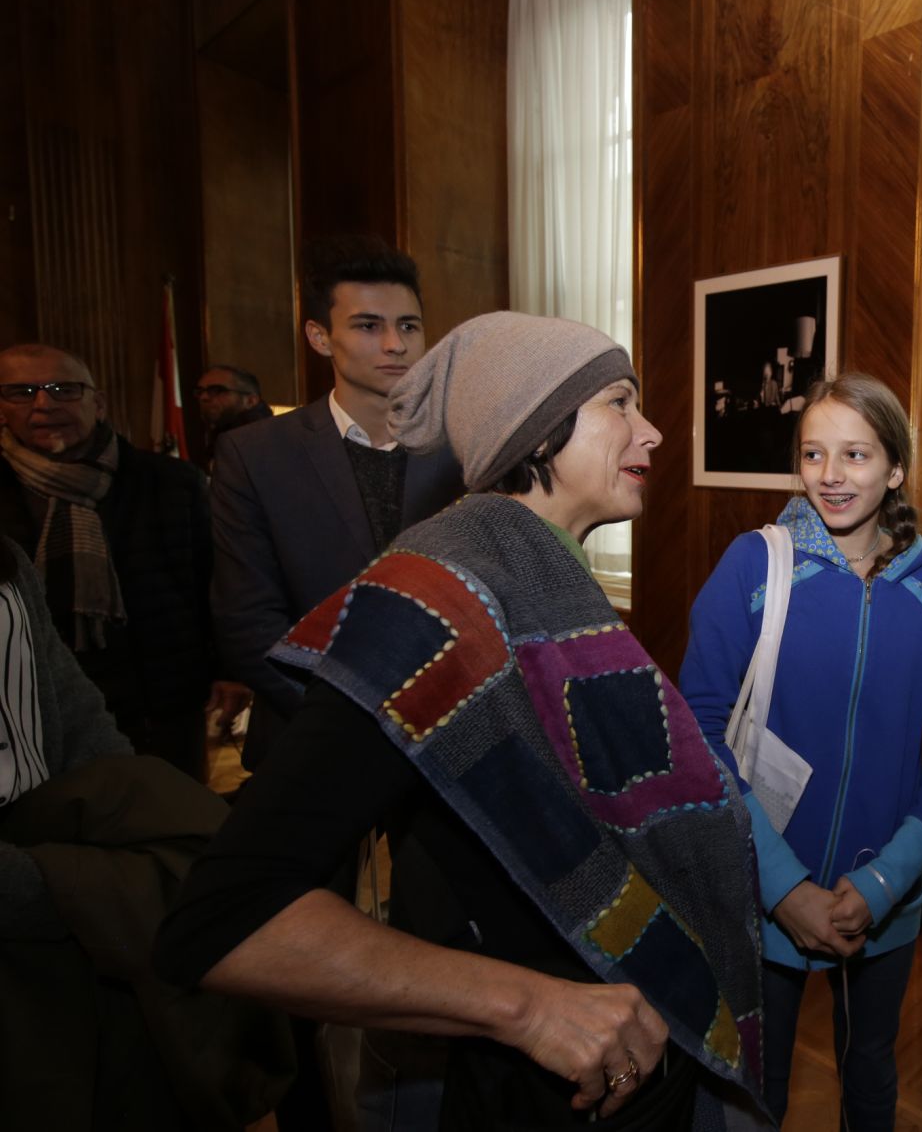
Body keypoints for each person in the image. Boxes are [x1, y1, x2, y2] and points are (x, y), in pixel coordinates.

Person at [156, 312, 767, 1130]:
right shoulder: (432, 609)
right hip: (525, 1085)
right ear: (538, 427)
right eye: (620, 402)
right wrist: (528, 1007)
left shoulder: (549, 585)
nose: (650, 430)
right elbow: (227, 919)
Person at [680, 373, 922, 1129]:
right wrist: (784, 886)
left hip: (885, 899)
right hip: (764, 891)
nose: (832, 475)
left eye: (856, 454)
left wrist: (885, 880)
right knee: (757, 1086)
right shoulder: (755, 565)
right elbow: (697, 730)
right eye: (814, 453)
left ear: (896, 468)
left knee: (871, 1075)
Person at [0, 534, 292, 1130]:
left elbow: (77, 717)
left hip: (61, 896)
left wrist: (138, 839)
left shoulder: (5, 557)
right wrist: (73, 890)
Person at [209, 237, 462, 768]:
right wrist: (348, 719)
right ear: (320, 337)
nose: (396, 344)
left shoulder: (463, 446)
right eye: (368, 326)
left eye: (409, 326)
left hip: (447, 736)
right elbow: (248, 619)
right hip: (312, 733)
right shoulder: (256, 454)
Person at [0, 342, 238, 779]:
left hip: (159, 701)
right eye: (21, 392)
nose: (44, 403)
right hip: (28, 707)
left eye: (64, 389)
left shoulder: (171, 482)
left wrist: (229, 668)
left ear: (99, 403)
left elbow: (217, 580)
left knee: (166, 825)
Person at [194, 363, 271, 440]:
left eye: (216, 390)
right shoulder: (223, 434)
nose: (203, 397)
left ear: (250, 401)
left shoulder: (262, 438)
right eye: (200, 391)